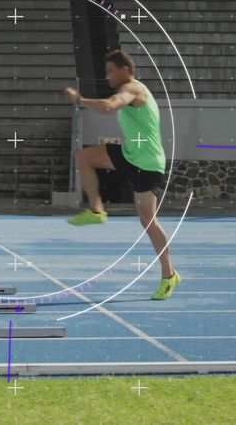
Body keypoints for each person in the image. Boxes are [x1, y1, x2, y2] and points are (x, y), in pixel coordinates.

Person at [62, 49, 179, 300]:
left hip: (147, 162)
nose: (107, 77)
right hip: (130, 153)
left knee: (147, 220)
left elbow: (108, 107)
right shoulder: (130, 89)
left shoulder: (133, 89)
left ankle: (169, 275)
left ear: (124, 70)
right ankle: (96, 210)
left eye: (110, 71)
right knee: (84, 157)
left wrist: (80, 100)